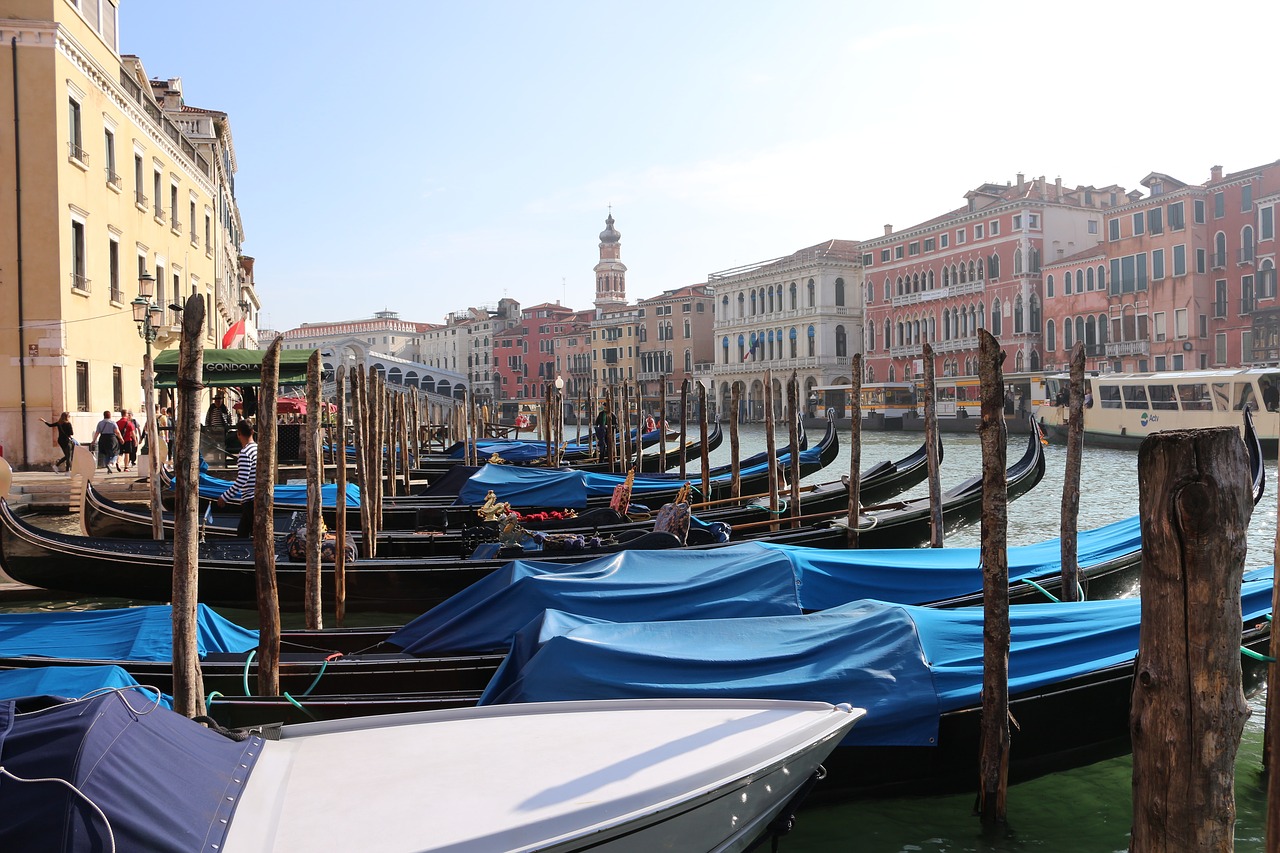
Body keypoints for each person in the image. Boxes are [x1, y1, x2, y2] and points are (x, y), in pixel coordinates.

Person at [216, 421, 258, 537]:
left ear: (238, 434)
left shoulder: (245, 453)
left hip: (250, 499)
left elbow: (242, 480)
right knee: (243, 531)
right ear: (252, 432)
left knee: (245, 533)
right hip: (255, 497)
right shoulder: (257, 449)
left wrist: (225, 497)